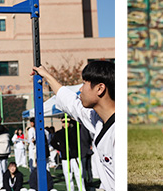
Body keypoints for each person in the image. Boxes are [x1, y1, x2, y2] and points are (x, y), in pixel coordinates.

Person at [33, 61, 114, 191]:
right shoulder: (97, 119)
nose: (80, 89)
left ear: (100, 88)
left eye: (84, 84)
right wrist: (47, 76)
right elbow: (71, 103)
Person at [50, 117, 84, 191]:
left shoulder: (74, 130)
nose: (65, 124)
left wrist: (71, 120)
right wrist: (61, 149)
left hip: (75, 157)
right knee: (68, 176)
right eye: (63, 122)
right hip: (65, 158)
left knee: (79, 175)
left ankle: (82, 189)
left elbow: (79, 126)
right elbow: (52, 142)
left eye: (67, 122)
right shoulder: (59, 133)